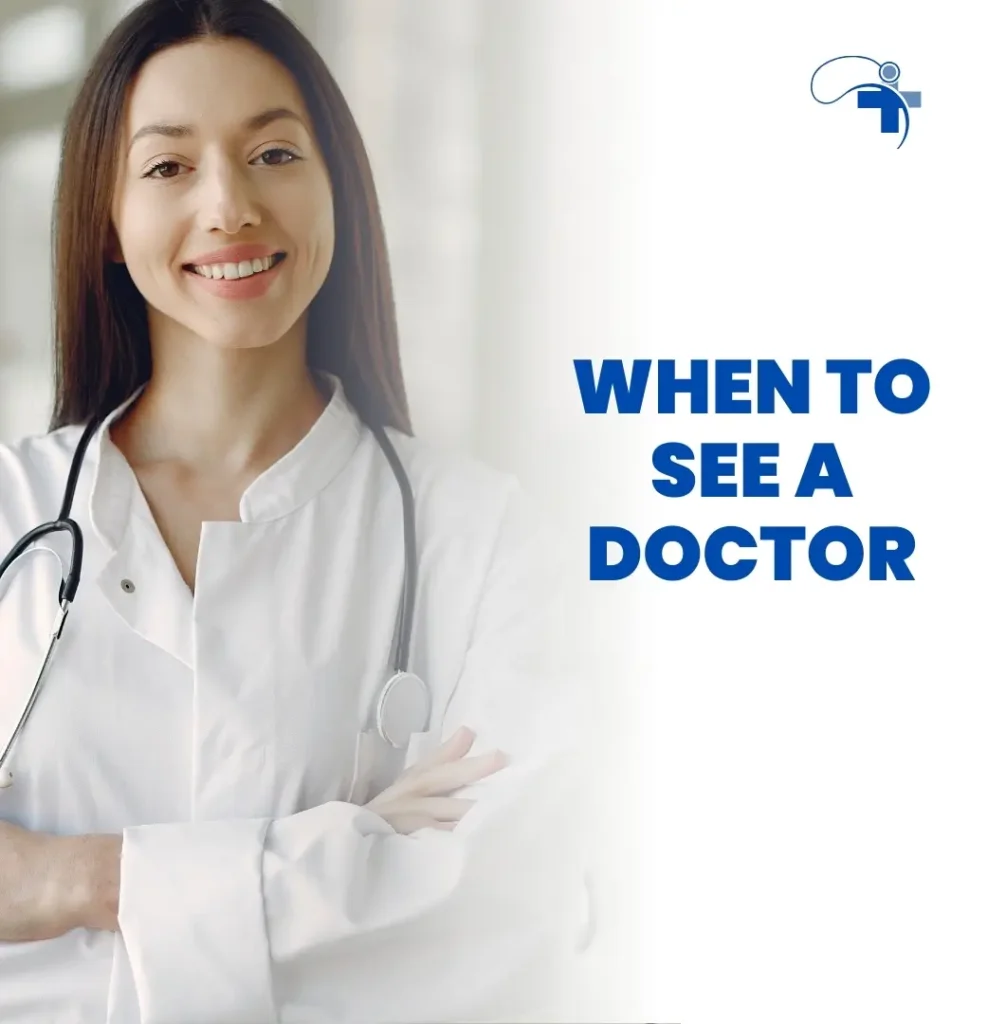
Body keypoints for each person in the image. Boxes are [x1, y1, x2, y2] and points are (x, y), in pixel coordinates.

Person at [0, 1, 588, 1020]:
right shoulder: (13, 514)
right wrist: (354, 861)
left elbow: (501, 915)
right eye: (168, 166)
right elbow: (406, 920)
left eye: (273, 153)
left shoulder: (483, 540)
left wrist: (80, 881)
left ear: (337, 193)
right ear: (107, 218)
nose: (229, 206)